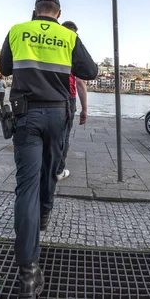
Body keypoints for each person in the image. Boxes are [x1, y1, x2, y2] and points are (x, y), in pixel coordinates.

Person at [0, 0, 98, 298]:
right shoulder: (67, 36)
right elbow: (91, 72)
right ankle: (45, 213)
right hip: (57, 114)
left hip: (26, 115)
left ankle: (28, 273)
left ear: (34, 12)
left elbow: (4, 66)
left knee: (25, 186)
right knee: (51, 170)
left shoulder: (17, 31)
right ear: (58, 12)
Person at [56, 21, 89, 181]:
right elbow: (81, 82)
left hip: (47, 94)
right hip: (68, 97)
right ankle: (58, 170)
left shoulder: (53, 46)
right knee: (63, 135)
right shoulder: (74, 49)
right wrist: (85, 109)